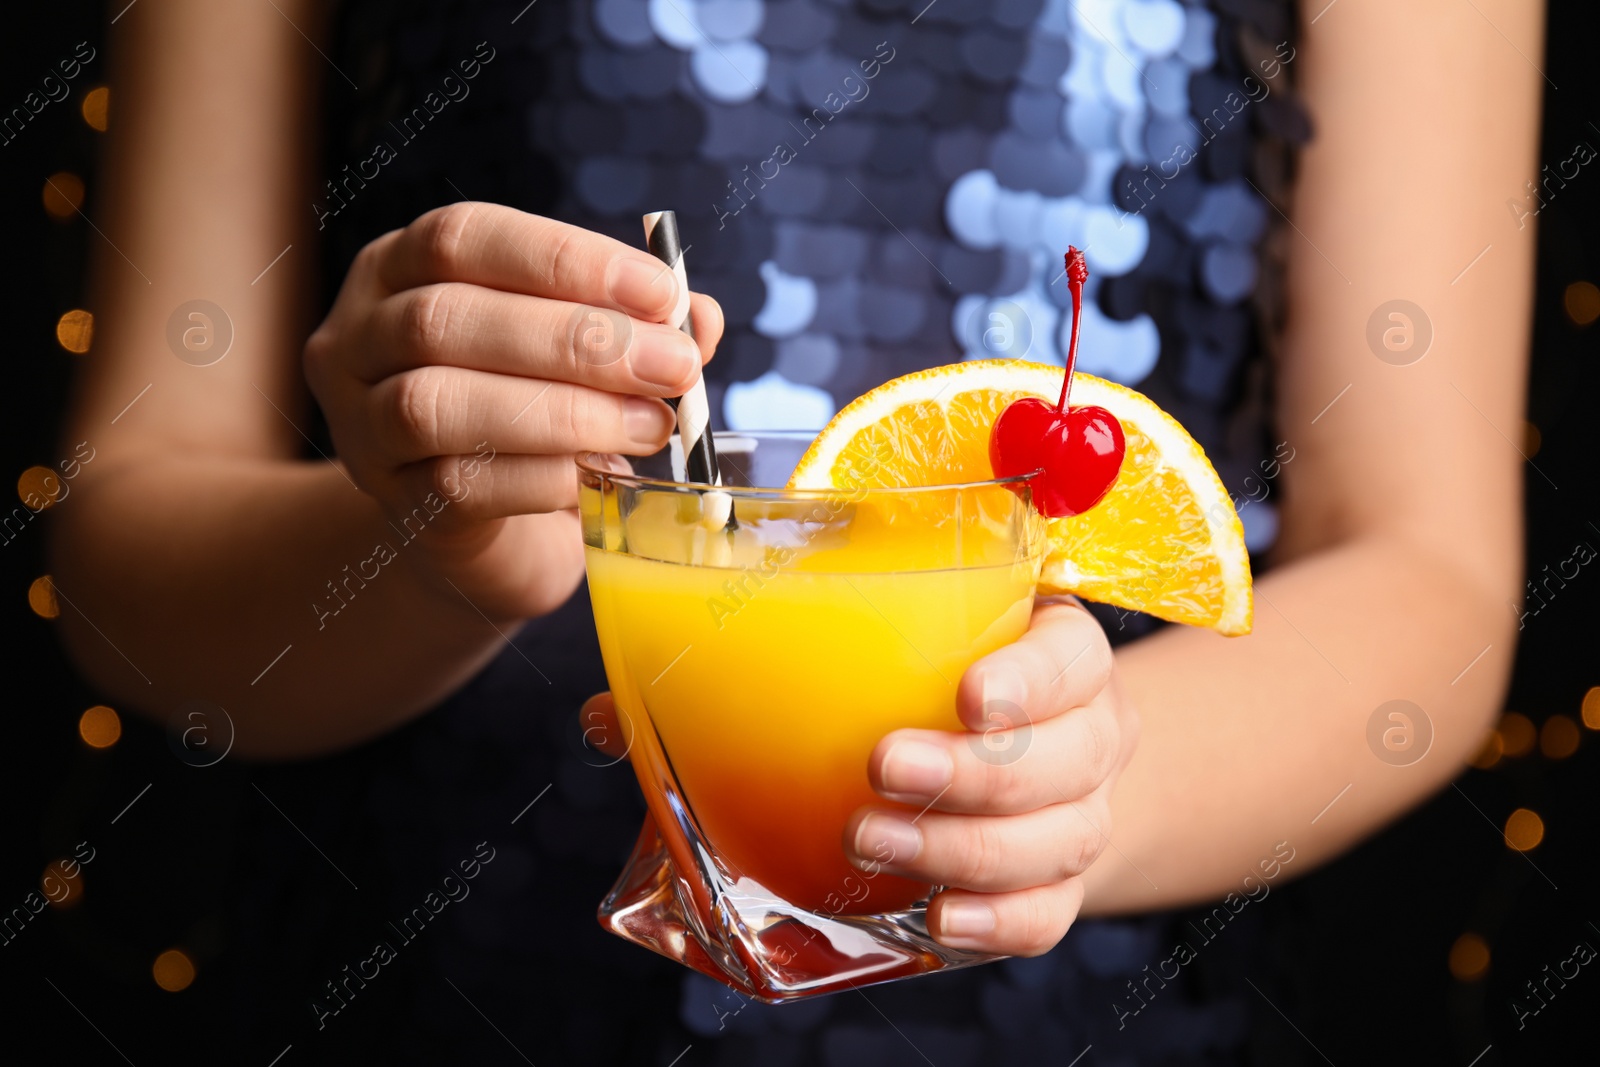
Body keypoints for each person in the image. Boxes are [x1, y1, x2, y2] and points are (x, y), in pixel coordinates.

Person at [51, 0, 1540, 1061]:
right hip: (430, 988)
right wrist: (438, 564)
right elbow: (131, 553)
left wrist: (1073, 795)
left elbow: (1430, 574)